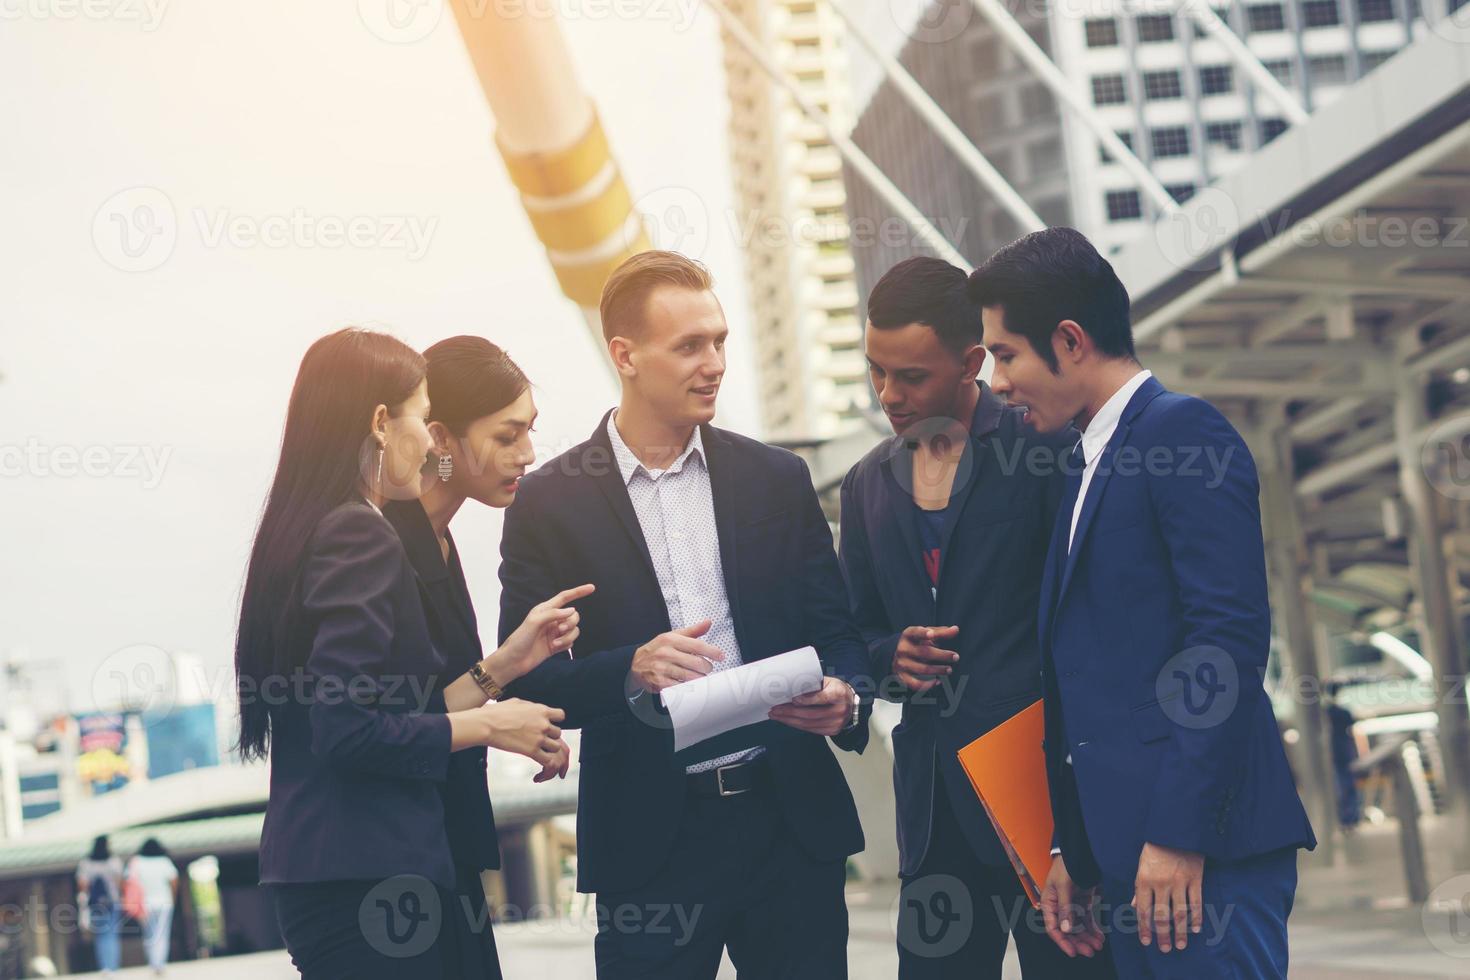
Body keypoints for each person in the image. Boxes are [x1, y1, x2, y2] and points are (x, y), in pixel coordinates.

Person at [497, 250, 870, 979]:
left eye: (721, 341)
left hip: (788, 827)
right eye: (690, 346)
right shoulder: (548, 503)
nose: (715, 363)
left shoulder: (776, 478)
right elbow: (528, 684)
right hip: (649, 848)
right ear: (625, 355)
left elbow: (840, 637)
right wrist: (628, 671)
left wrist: (846, 698)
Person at [973, 227, 1317, 978]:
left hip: (1200, 858)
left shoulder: (1182, 432)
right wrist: (1071, 847)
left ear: (1068, 340)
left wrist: (1176, 835)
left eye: (1004, 354)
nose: (996, 383)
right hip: (1129, 862)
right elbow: (1085, 677)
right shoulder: (1080, 464)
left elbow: (1223, 646)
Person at [235, 327, 588, 978]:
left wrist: (505, 665)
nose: (428, 442)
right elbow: (347, 729)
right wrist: (491, 722)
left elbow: (389, 710)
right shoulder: (360, 534)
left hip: (366, 869)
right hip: (372, 872)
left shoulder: (319, 524)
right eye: (424, 421)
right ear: (380, 423)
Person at [838, 257, 1113, 979]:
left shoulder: (1048, 448)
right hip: (934, 821)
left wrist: (1077, 828)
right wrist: (886, 655)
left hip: (1045, 806)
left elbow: (1090, 620)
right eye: (876, 371)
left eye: (911, 376)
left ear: (969, 363)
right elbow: (849, 634)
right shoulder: (866, 483)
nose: (888, 394)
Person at [381, 335, 574, 978]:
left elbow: (430, 708)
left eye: (530, 432)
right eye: (506, 435)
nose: (527, 454)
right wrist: (498, 714)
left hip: (445, 850)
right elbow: (387, 729)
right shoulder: (381, 544)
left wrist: (511, 665)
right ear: (440, 436)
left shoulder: (438, 537)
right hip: (394, 863)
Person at [127, 838, 179, 975]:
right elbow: (174, 880)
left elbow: (129, 881)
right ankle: (159, 964)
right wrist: (173, 898)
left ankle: (153, 963)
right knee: (162, 934)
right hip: (164, 902)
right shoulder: (164, 861)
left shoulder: (137, 862)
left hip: (145, 904)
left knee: (149, 935)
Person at [77, 835, 123, 976]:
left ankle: (104, 967)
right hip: (112, 901)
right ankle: (113, 966)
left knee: (101, 935)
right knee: (112, 934)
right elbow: (119, 882)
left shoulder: (86, 863)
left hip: (95, 903)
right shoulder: (114, 861)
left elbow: (82, 884)